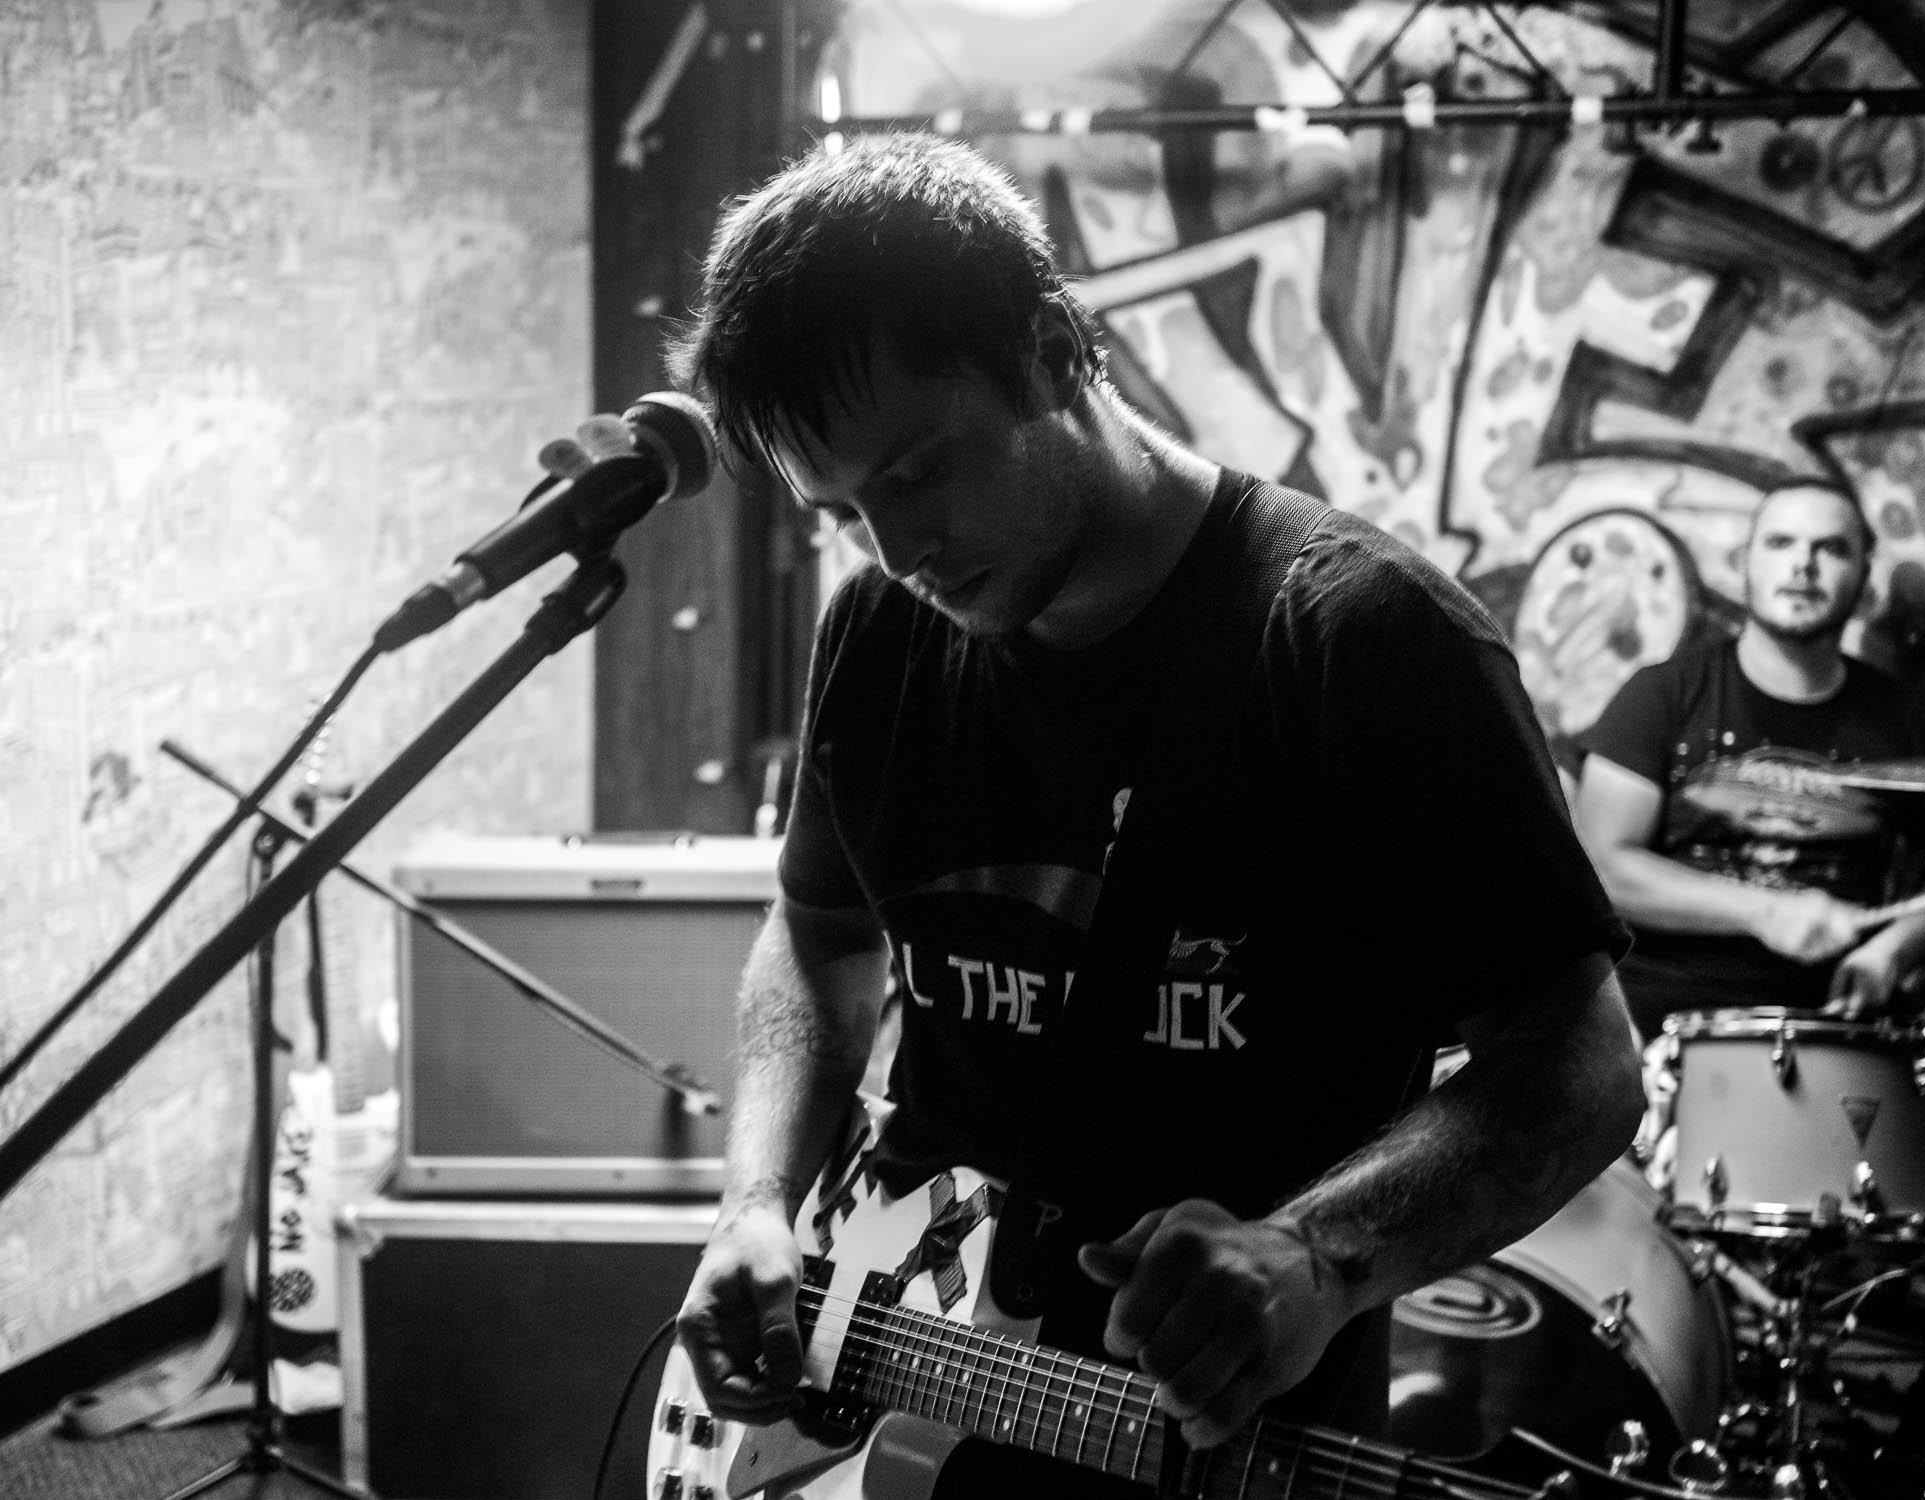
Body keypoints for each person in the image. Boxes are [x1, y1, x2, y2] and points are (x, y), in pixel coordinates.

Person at [666, 132, 1644, 1496]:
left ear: (1059, 349)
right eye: (837, 512)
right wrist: (756, 1203)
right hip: (893, 1408)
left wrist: (1313, 1255)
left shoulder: (1361, 644)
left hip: (1225, 1441)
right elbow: (819, 931)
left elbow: (1581, 1068)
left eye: (913, 474)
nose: (896, 553)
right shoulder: (878, 637)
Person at [1573, 477, 1925, 1323]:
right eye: (1782, 544)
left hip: (1846, 1021)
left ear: (1863, 574)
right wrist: (1760, 909)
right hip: (1668, 1016)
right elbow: (1602, 867)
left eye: (1830, 547)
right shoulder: (1666, 695)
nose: (1803, 565)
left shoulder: (1904, 722)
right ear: (1748, 566)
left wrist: (1890, 949)